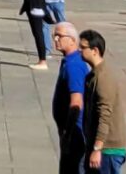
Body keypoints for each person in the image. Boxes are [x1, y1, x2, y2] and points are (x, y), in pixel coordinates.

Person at [79, 30, 126, 173]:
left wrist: (97, 148)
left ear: (95, 50)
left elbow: (104, 115)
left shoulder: (103, 78)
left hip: (108, 149)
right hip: (100, 146)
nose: (79, 50)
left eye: (83, 47)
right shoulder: (95, 74)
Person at [50, 22, 88, 174]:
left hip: (75, 133)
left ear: (72, 40)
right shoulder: (69, 61)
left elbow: (76, 102)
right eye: (55, 36)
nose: (56, 39)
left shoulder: (74, 65)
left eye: (60, 36)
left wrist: (68, 132)